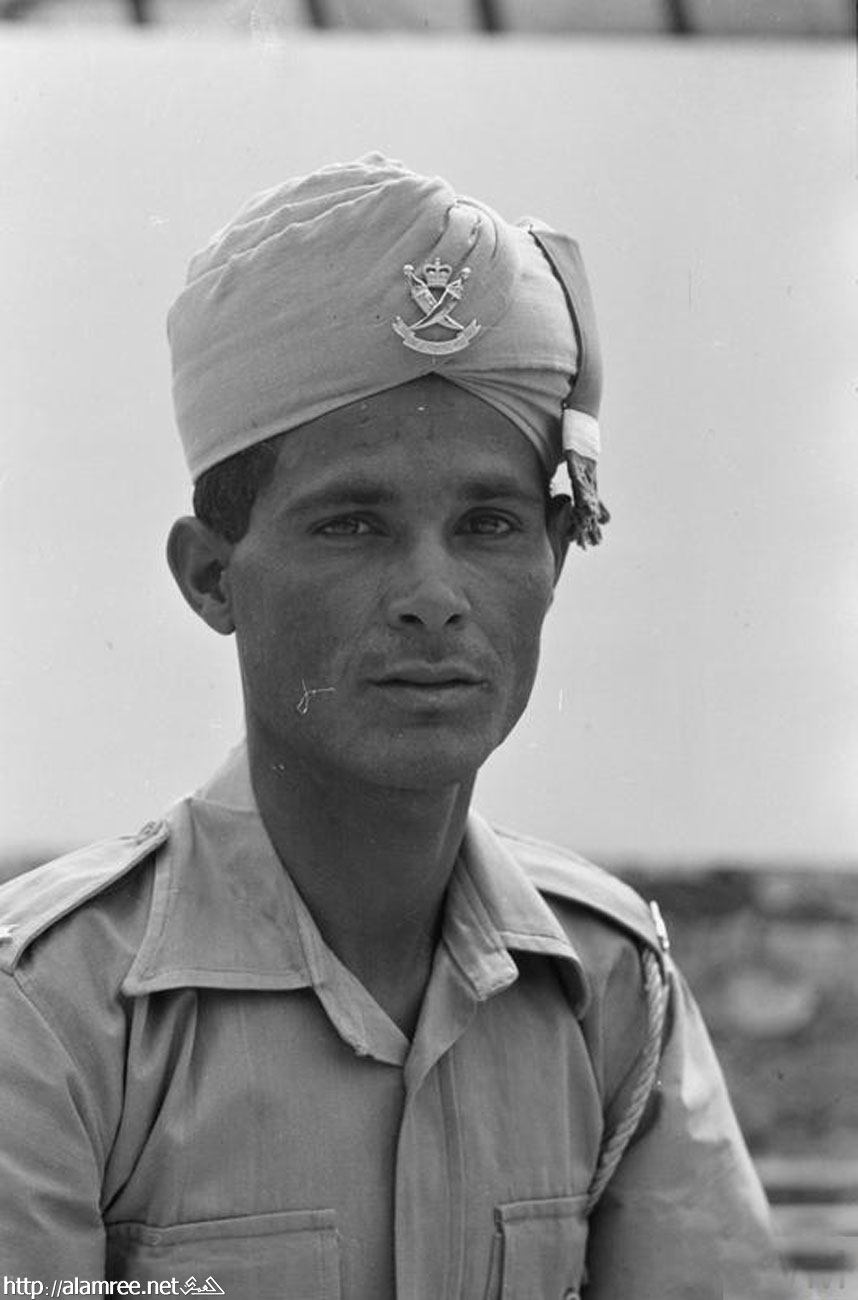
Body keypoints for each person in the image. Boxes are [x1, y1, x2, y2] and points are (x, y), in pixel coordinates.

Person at [0, 155, 786, 1297]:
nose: (434, 595)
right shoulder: (48, 1012)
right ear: (212, 578)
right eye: (352, 525)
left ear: (555, 563)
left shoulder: (610, 987)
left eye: (490, 523)